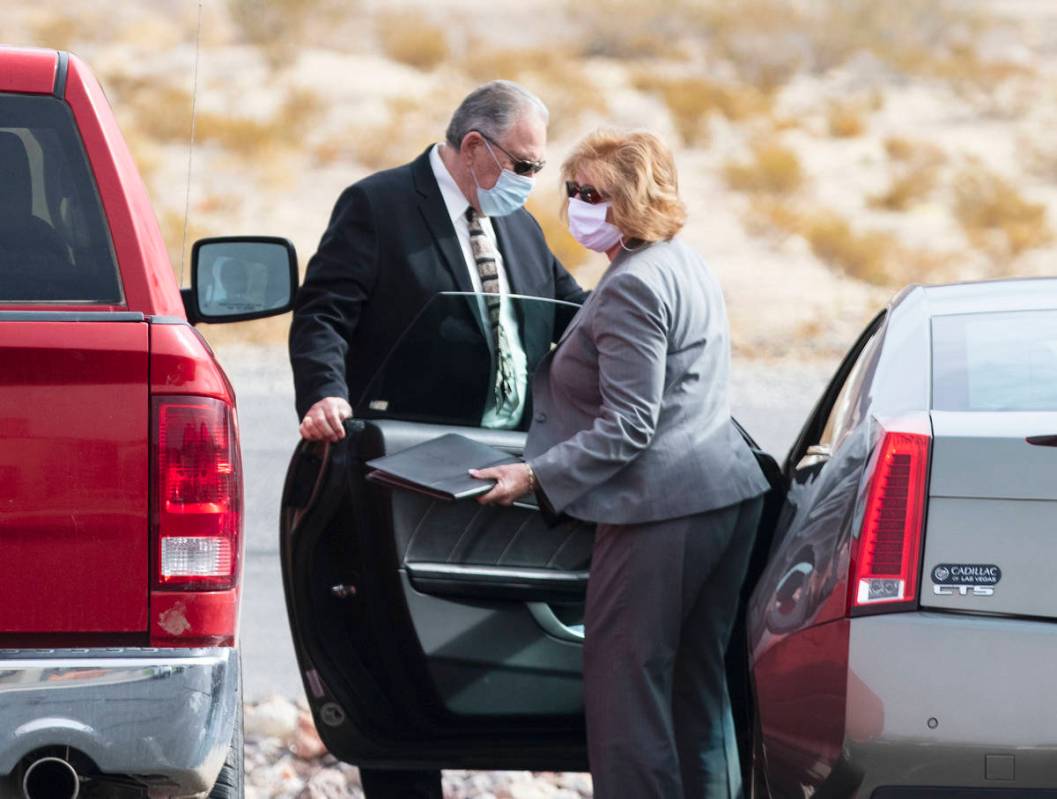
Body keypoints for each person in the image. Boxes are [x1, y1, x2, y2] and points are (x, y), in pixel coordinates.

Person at [288, 81, 587, 799]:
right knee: (394, 657)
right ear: (474, 146)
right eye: (523, 165)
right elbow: (323, 314)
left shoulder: (518, 225)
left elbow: (575, 314)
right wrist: (325, 390)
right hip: (410, 467)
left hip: (505, 468)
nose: (529, 183)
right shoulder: (379, 205)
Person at [471, 130, 770, 798]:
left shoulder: (633, 285)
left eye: (592, 194)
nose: (576, 205)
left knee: (624, 692)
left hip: (660, 510)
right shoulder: (678, 261)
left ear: (631, 199)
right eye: (572, 191)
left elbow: (631, 422)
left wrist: (536, 474)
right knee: (696, 689)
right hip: (720, 493)